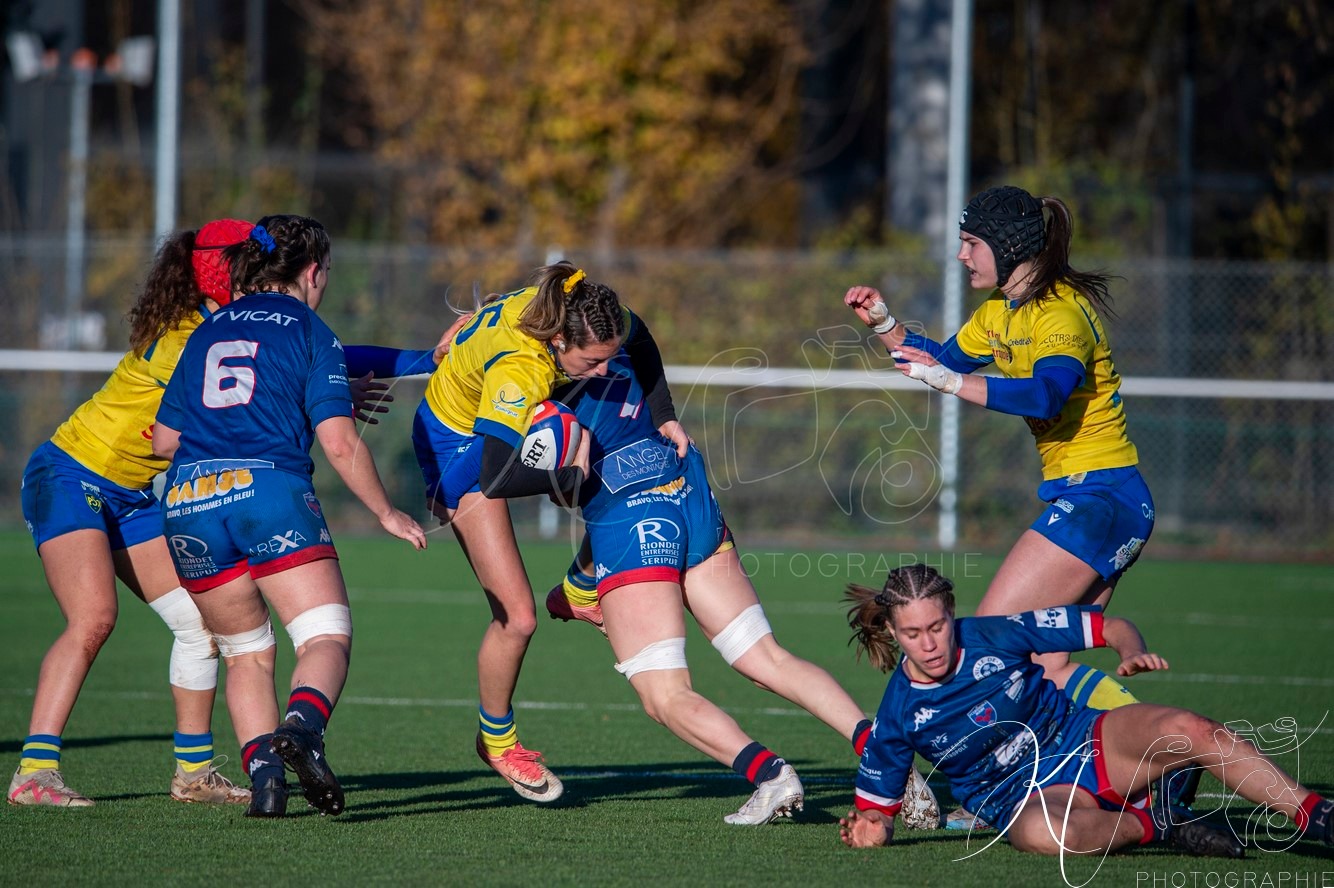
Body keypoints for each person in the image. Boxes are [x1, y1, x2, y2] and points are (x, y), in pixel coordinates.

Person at [844, 186, 1156, 826]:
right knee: (1049, 663)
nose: (961, 256)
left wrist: (952, 383)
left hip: (1100, 498)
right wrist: (884, 323)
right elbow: (938, 361)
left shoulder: (1058, 316)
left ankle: (1009, 793)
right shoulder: (999, 312)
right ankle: (1156, 761)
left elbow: (1045, 395)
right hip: (1103, 502)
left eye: (971, 243)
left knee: (987, 637)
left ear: (1010, 247)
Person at [537, 354, 941, 827]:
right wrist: (579, 582)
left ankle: (772, 776)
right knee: (766, 657)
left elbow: (547, 476)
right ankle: (883, 755)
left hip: (633, 516)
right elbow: (638, 338)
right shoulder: (620, 341)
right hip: (685, 486)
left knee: (665, 694)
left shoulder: (533, 371)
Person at [153, 214, 427, 818]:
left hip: (189, 502)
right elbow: (338, 441)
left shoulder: (207, 329)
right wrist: (385, 511)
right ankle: (301, 730)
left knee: (247, 652)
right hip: (267, 490)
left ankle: (267, 783)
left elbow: (166, 440)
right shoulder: (310, 329)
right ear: (313, 270)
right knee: (324, 635)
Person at [413, 260, 688, 804]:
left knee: (634, 468)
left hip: (505, 418)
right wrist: (569, 472)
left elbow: (643, 339)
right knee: (516, 618)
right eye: (591, 360)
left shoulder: (585, 306)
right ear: (559, 340)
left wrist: (663, 416)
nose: (603, 369)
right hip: (460, 453)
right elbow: (493, 475)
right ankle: (497, 742)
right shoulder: (520, 369)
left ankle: (578, 590)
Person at [836, 564, 1334, 859]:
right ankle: (1158, 822)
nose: (930, 644)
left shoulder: (994, 633)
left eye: (938, 626)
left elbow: (1109, 626)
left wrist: (1130, 651)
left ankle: (1316, 815)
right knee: (1047, 836)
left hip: (1085, 739)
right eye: (913, 634)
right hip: (1024, 797)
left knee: (1192, 729)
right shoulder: (898, 713)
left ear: (951, 613)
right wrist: (870, 830)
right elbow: (878, 814)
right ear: (894, 634)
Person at [11, 219, 258, 808]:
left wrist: (387, 367)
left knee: (201, 623)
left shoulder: (211, 327)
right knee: (94, 617)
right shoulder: (187, 338)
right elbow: (256, 390)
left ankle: (194, 774)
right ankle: (32, 774)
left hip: (127, 494)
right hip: (70, 474)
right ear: (225, 274)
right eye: (252, 269)